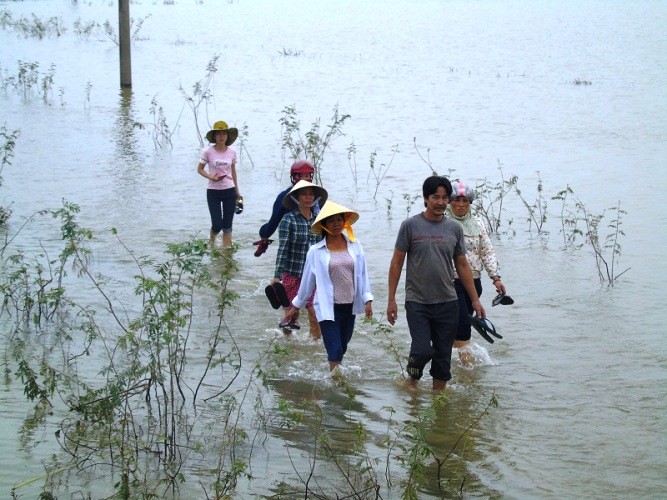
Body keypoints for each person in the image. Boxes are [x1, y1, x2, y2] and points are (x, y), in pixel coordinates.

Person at [386, 175, 486, 391]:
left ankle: (438, 400)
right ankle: (411, 382)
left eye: (444, 198)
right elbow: (396, 264)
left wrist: (475, 300)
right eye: (435, 197)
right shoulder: (410, 226)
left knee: (443, 357)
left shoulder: (454, 229)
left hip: (447, 302)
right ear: (425, 198)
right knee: (421, 350)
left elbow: (462, 265)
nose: (440, 202)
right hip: (417, 302)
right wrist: (391, 300)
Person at [284, 201, 373, 371]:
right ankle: (335, 384)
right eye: (331, 221)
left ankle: (334, 376)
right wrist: (296, 306)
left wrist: (367, 299)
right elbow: (307, 281)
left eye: (339, 220)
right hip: (327, 308)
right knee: (335, 350)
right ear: (324, 225)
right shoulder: (316, 251)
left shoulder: (356, 246)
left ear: (344, 222)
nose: (336, 224)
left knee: (343, 346)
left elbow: (363, 275)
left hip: (349, 306)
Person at [446, 180, 507, 365]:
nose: (460, 204)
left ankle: (450, 354)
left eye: (465, 200)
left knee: (458, 323)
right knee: (464, 322)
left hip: (473, 283)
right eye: (456, 200)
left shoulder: (478, 223)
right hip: (450, 282)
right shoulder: (443, 222)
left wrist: (495, 278)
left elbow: (486, 251)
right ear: (449, 202)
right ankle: (467, 362)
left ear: (470, 202)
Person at [274, 180, 328, 338]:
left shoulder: (319, 220)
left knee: (314, 311)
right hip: (292, 273)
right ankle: (287, 342)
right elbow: (283, 248)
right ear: (296, 198)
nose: (308, 197)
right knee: (292, 313)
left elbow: (323, 248)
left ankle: (315, 347)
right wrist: (277, 276)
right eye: (304, 194)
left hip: (312, 274)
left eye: (311, 194)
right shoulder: (288, 220)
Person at [253, 160, 316, 257]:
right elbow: (275, 219)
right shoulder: (283, 197)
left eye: (307, 176)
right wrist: (265, 235)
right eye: (301, 176)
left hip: (307, 228)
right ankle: (264, 240)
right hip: (290, 225)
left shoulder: (315, 195)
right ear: (294, 177)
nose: (304, 179)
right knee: (272, 225)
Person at [196, 121, 242, 248]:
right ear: (214, 136)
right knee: (217, 224)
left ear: (227, 136)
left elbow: (233, 172)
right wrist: (210, 176)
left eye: (224, 134)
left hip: (229, 190)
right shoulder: (208, 152)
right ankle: (212, 244)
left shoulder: (232, 151)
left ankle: (227, 251)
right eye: (219, 134)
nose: (222, 136)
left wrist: (237, 191)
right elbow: (199, 169)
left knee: (227, 225)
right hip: (213, 191)